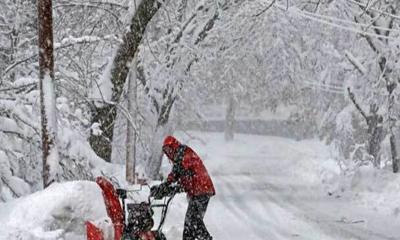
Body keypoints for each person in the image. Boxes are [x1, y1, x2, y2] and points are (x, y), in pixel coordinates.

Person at [150, 136, 215, 240]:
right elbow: (175, 174)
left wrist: (174, 189)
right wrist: (164, 185)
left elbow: (187, 178)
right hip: (197, 191)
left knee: (194, 222)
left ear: (174, 146)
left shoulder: (185, 156)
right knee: (190, 224)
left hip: (202, 190)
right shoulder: (179, 156)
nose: (168, 153)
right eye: (166, 151)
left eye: (169, 149)